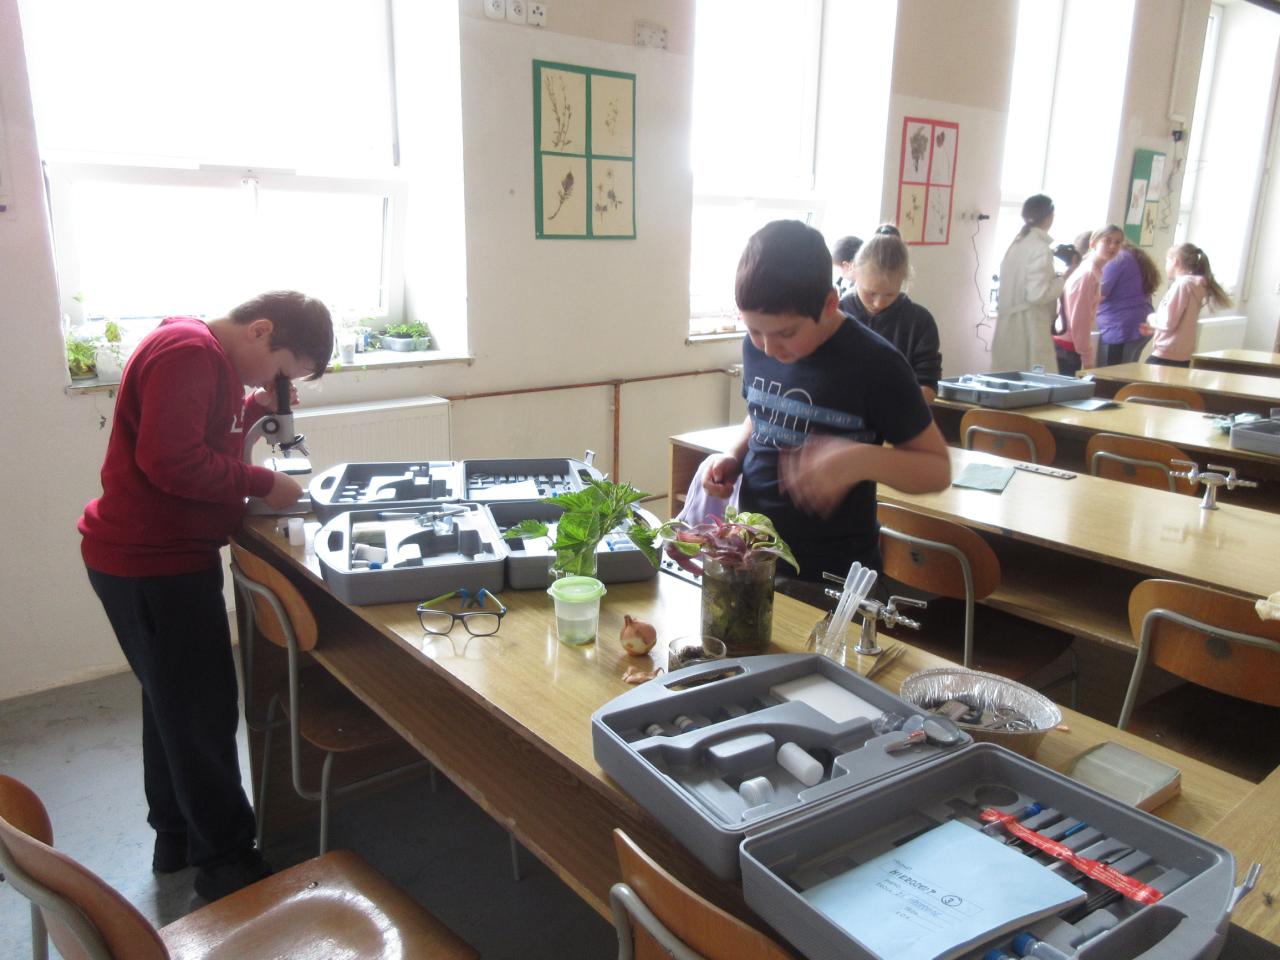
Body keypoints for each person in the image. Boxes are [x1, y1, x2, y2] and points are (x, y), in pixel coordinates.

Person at [78, 290, 334, 902]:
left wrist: (253, 408)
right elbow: (171, 460)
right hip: (152, 564)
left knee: (170, 705)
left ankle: (176, 839)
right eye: (280, 372)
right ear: (260, 330)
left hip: (155, 558)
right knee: (202, 714)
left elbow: (202, 431)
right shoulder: (188, 352)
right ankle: (227, 866)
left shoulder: (205, 359)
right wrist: (263, 482)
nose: (274, 386)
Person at [702, 220, 950, 590]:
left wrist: (857, 460)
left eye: (786, 333)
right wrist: (733, 455)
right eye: (754, 331)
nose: (768, 348)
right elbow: (761, 413)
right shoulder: (759, 344)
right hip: (754, 557)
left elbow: (936, 470)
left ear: (830, 304)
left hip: (831, 576)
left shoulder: (877, 364)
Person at [839, 230, 943, 399]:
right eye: (870, 293)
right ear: (854, 273)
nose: (879, 303)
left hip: (897, 412)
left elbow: (928, 387)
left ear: (902, 282)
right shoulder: (836, 314)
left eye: (889, 294)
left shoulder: (920, 322)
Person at [992, 194, 1064, 372]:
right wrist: (1063, 279)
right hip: (1029, 326)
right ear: (1049, 217)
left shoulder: (1017, 243)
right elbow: (1037, 295)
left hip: (1009, 325)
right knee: (1034, 379)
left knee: (1007, 376)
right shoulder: (1040, 248)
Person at [1139, 243, 1232, 367]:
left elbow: (1168, 322)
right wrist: (1155, 328)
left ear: (1175, 261)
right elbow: (1179, 320)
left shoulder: (1182, 285)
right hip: (1182, 356)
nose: (1166, 265)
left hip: (1167, 355)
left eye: (1167, 261)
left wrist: (1152, 318)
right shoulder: (1194, 285)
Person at [1055, 225, 1123, 375]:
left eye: (1117, 242)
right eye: (1107, 241)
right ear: (1093, 244)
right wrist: (1087, 358)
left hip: (1069, 344)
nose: (1113, 246)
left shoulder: (1094, 271)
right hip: (1066, 347)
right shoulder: (1088, 275)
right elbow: (1079, 319)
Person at [1096, 241, 1161, 365]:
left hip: (1121, 328)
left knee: (1111, 374)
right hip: (1138, 324)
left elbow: (1098, 292)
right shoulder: (1130, 256)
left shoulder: (1118, 258)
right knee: (1126, 370)